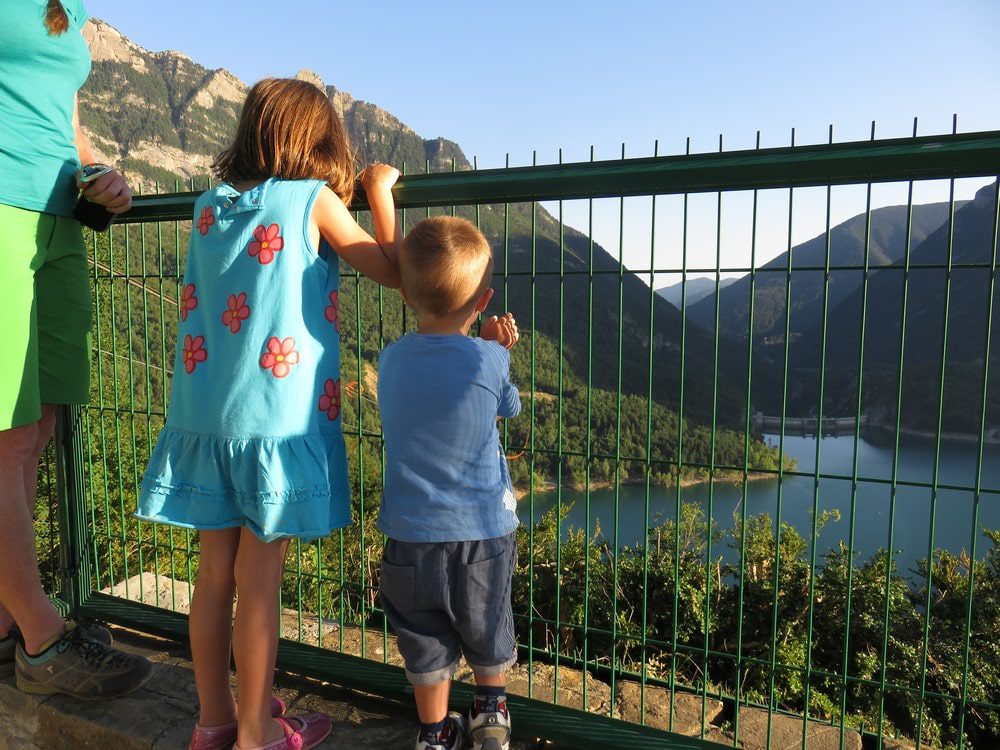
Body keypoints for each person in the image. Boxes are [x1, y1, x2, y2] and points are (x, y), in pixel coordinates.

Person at [137, 78, 402, 750]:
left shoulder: (207, 205)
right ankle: (257, 734)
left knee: (212, 578)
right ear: (319, 142)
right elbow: (393, 269)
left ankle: (215, 720)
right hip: (276, 425)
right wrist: (380, 194)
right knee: (259, 584)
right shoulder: (311, 199)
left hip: (205, 418)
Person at [0, 0, 152, 698]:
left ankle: (5, 622)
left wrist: (100, 170)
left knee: (37, 426)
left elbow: (65, 116)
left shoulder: (67, 7)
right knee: (6, 434)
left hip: (61, 215)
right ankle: (42, 638)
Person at [377, 216, 522, 750]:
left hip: (409, 535)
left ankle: (435, 734)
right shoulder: (490, 356)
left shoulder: (390, 360)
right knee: (487, 622)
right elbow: (507, 406)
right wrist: (497, 349)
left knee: (425, 639)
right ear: (483, 301)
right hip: (482, 532)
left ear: (407, 294)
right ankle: (491, 715)